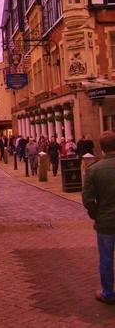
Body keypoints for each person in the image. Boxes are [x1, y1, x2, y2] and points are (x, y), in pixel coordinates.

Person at [82, 131, 115, 305]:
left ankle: (108, 293)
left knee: (106, 258)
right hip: (105, 219)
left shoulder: (94, 169)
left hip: (106, 222)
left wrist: (96, 214)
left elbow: (87, 198)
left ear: (101, 148)